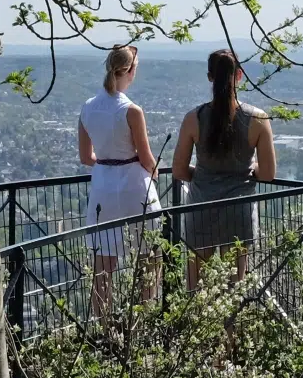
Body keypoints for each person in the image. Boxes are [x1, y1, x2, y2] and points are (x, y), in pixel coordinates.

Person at [171, 48, 276, 287]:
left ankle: (197, 325)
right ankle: (232, 326)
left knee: (196, 288)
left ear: (210, 77)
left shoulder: (193, 118)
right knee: (234, 289)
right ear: (239, 75)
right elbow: (268, 174)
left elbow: (178, 170)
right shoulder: (258, 119)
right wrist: (249, 170)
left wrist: (202, 176)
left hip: (201, 209)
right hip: (238, 212)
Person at [78, 44, 159, 312]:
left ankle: (103, 326)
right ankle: (142, 322)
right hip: (134, 187)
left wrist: (106, 162)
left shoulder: (87, 108)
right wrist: (154, 172)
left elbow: (85, 157)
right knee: (149, 256)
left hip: (103, 187)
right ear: (129, 71)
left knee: (103, 265)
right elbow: (146, 157)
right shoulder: (132, 111)